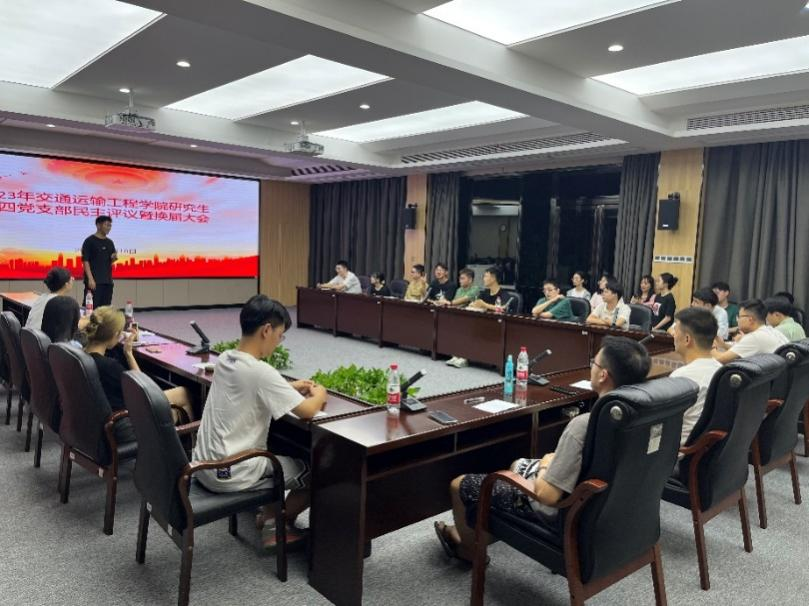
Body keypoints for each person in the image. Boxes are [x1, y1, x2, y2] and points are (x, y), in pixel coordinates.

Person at [434, 337, 650, 563]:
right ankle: (485, 530)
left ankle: (469, 552)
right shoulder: (640, 418)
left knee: (459, 484)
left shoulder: (583, 425)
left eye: (593, 363)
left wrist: (547, 464)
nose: (591, 367)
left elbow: (547, 496)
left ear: (603, 375)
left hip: (560, 513)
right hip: (606, 511)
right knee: (518, 464)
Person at [192, 295, 327, 550]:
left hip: (202, 465)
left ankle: (273, 514)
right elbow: (308, 410)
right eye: (280, 335)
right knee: (319, 473)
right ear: (266, 330)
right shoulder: (261, 372)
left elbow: (251, 387)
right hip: (230, 472)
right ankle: (275, 522)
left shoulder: (226, 358)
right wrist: (320, 393)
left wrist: (288, 387)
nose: (278, 342)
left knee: (277, 451)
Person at [84, 306, 193, 445]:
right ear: (115, 334)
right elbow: (145, 389)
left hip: (96, 423)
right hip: (123, 424)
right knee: (183, 395)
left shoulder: (80, 356)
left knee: (178, 397)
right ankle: (191, 449)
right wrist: (129, 354)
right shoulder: (109, 366)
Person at [669, 307, 722, 450]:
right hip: (708, 450)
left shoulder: (682, 376)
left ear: (687, 339)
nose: (673, 335)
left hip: (681, 451)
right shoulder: (720, 369)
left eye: (675, 331)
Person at [712, 298, 788, 363]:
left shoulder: (755, 337)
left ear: (750, 320)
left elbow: (720, 359)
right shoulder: (771, 330)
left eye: (739, 317)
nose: (738, 320)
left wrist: (709, 345)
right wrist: (723, 345)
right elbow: (740, 350)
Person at [82, 215, 117, 307]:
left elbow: (110, 261)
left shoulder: (110, 242)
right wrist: (90, 279)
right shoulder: (89, 241)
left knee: (105, 309)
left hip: (107, 281)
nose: (109, 228)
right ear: (98, 225)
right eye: (106, 225)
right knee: (91, 308)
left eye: (110, 225)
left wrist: (113, 258)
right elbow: (85, 261)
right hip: (94, 281)